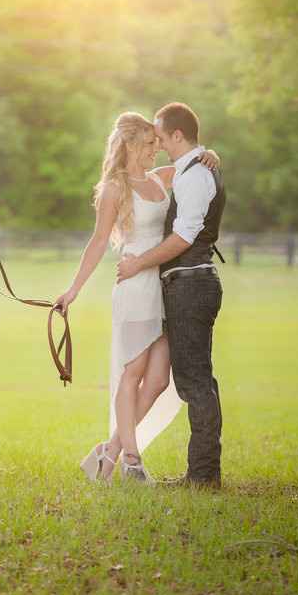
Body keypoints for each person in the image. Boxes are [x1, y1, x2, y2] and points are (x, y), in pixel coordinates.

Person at [54, 111, 220, 483]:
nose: (156, 150)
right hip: (133, 288)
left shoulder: (162, 179)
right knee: (132, 375)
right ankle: (131, 459)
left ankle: (107, 454)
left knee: (159, 380)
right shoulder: (114, 188)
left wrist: (213, 156)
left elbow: (194, 166)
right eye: (149, 143)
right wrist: (73, 290)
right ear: (129, 144)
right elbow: (98, 242)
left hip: (163, 289)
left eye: (158, 142)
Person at [117, 102, 225, 488]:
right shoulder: (190, 169)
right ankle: (201, 471)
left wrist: (137, 263)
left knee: (195, 381)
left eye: (161, 138)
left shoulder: (195, 176)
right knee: (193, 379)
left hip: (191, 284)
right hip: (181, 285)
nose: (158, 145)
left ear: (178, 135)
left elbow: (183, 237)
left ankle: (203, 474)